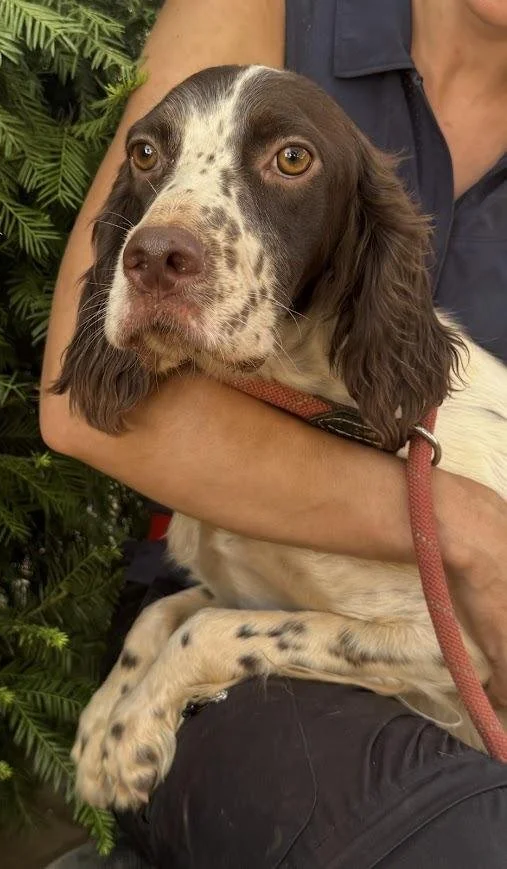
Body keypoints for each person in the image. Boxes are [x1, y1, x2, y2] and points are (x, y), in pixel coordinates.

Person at [40, 0, 507, 866]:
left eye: (289, 160)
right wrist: (467, 526)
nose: (165, 240)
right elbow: (81, 405)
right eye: (152, 156)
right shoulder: (265, 8)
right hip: (273, 638)